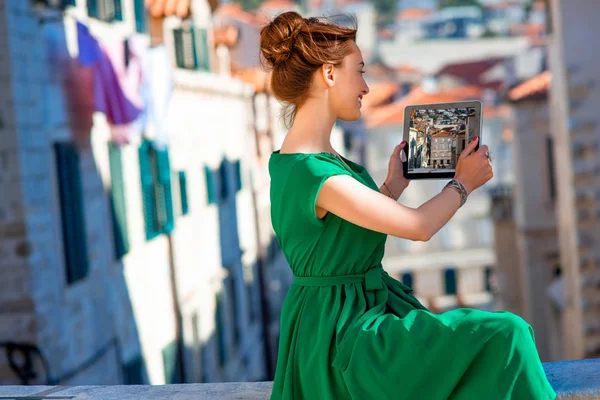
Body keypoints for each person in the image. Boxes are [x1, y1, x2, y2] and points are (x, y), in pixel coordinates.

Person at [261, 11, 556, 400]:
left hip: (346, 322)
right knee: (506, 334)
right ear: (329, 74)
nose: (366, 86)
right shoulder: (313, 171)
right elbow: (419, 227)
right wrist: (463, 184)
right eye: (360, 70)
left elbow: (340, 238)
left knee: (496, 340)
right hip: (347, 334)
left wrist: (391, 187)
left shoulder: (310, 162)